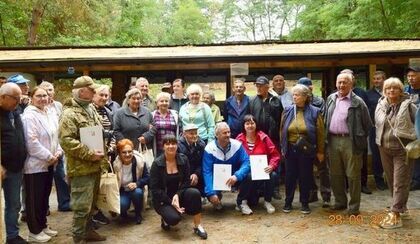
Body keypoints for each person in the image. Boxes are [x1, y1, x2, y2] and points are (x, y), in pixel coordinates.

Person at [59, 76, 108, 243]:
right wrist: (89, 153)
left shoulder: (90, 109)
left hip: (95, 166)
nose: (95, 92)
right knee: (81, 208)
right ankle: (78, 238)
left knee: (92, 205)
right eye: (92, 89)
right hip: (81, 169)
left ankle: (88, 232)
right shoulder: (69, 114)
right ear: (82, 91)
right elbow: (66, 141)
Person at [324, 73, 372, 216]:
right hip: (332, 140)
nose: (341, 85)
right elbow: (326, 117)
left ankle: (354, 207)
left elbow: (367, 125)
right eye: (339, 82)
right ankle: (340, 202)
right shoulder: (331, 99)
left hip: (350, 142)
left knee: (353, 175)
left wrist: (359, 139)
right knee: (335, 173)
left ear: (351, 84)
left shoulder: (358, 102)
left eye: (345, 82)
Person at [375, 77, 417, 229]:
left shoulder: (409, 105)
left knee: (400, 181)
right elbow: (377, 124)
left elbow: (418, 125)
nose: (391, 91)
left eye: (395, 88)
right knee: (391, 180)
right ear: (384, 91)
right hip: (383, 147)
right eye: (388, 88)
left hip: (402, 149)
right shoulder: (381, 104)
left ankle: (395, 214)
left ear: (401, 90)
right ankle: (400, 206)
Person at [22, 87, 61, 242]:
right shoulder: (28, 116)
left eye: (45, 95)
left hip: (51, 162)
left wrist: (58, 152)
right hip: (35, 164)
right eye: (39, 96)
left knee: (44, 198)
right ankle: (34, 231)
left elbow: (56, 135)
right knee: (34, 200)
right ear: (32, 97)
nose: (43, 98)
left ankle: (43, 225)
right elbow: (31, 142)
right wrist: (48, 156)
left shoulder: (49, 112)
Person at [150, 135, 208, 239]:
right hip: (163, 199)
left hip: (179, 193)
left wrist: (177, 195)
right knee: (174, 219)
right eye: (167, 144)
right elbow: (154, 189)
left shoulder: (183, 159)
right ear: (163, 146)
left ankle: (197, 225)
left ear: (177, 145)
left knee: (195, 193)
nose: (171, 146)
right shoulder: (156, 164)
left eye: (173, 143)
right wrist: (170, 201)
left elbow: (186, 181)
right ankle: (165, 218)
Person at [280, 84, 325, 214]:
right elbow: (282, 130)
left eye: (297, 95)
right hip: (290, 148)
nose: (294, 97)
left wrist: (320, 151)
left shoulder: (315, 111)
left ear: (305, 97)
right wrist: (283, 147)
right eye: (293, 95)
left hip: (306, 149)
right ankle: (288, 202)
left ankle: (304, 203)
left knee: (305, 176)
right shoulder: (287, 110)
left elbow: (321, 133)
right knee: (290, 177)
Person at [202, 122, 251, 214]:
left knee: (248, 175)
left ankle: (241, 202)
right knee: (206, 183)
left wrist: (237, 175)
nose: (228, 135)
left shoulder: (237, 145)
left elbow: (247, 162)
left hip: (234, 177)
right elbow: (207, 171)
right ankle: (216, 199)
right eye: (225, 133)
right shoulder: (209, 149)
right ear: (217, 135)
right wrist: (211, 193)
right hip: (217, 179)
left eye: (229, 132)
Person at [236, 115, 280, 214]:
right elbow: (235, 157)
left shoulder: (264, 137)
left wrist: (271, 165)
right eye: (247, 123)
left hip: (261, 171)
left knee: (272, 175)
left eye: (252, 123)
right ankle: (242, 201)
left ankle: (267, 201)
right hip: (245, 172)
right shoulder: (239, 139)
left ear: (256, 124)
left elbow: (275, 154)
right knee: (248, 176)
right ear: (243, 126)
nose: (250, 126)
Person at [0, 82, 28, 244]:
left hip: (16, 168)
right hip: (2, 168)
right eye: (15, 99)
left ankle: (12, 235)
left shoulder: (15, 111)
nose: (18, 102)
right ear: (3, 97)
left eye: (20, 98)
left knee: (14, 204)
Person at [297, 77, 330, 205]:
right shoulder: (296, 102)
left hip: (318, 140)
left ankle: (326, 195)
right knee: (307, 169)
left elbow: (323, 121)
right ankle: (312, 193)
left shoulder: (319, 101)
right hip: (304, 142)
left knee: (323, 169)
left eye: (307, 87)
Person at [248, 76, 283, 199]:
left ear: (267, 87)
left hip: (273, 137)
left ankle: (275, 188)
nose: (258, 88)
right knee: (259, 161)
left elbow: (281, 119)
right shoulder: (252, 101)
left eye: (261, 86)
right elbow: (249, 119)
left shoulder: (275, 100)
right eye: (257, 85)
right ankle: (260, 188)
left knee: (274, 162)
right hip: (259, 138)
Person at [39, 81, 71, 212]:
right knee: (44, 181)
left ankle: (64, 203)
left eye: (50, 90)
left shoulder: (58, 105)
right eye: (45, 90)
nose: (48, 92)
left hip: (58, 147)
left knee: (61, 176)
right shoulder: (37, 107)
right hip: (43, 149)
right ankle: (44, 207)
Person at [340, 69, 372, 195]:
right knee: (343, 164)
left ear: (353, 79)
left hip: (358, 136)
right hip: (340, 137)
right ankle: (346, 186)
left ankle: (363, 184)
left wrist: (361, 133)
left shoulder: (361, 94)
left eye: (348, 77)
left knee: (361, 161)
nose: (343, 83)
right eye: (341, 79)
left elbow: (367, 115)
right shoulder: (335, 95)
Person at [91, 84, 115, 225]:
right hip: (92, 153)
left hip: (106, 154)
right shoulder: (89, 111)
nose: (104, 98)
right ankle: (92, 214)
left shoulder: (108, 111)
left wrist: (111, 148)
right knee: (92, 185)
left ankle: (98, 212)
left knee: (100, 185)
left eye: (106, 95)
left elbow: (113, 132)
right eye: (101, 95)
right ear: (94, 95)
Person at [113, 139, 149, 225]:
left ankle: (138, 213)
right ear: (119, 153)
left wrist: (137, 184)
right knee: (122, 205)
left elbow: (148, 177)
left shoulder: (140, 162)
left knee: (138, 192)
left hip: (135, 189)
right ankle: (123, 213)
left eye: (130, 151)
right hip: (122, 190)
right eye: (124, 152)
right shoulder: (115, 164)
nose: (127, 154)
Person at [366, 71, 387, 191]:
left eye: (378, 79)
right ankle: (379, 180)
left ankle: (391, 179)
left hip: (390, 129)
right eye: (374, 79)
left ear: (384, 79)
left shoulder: (389, 92)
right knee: (376, 155)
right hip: (375, 129)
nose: (376, 81)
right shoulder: (368, 94)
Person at [177, 123, 206, 195]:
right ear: (184, 134)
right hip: (183, 174)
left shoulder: (201, 144)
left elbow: (202, 162)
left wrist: (196, 174)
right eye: (191, 134)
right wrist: (188, 175)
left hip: (197, 173)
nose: (194, 136)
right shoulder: (178, 146)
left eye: (196, 133)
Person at [405, 66, 420, 191]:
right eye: (409, 76)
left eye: (413, 75)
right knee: (412, 153)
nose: (410, 78)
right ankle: (414, 180)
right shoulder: (405, 91)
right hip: (409, 129)